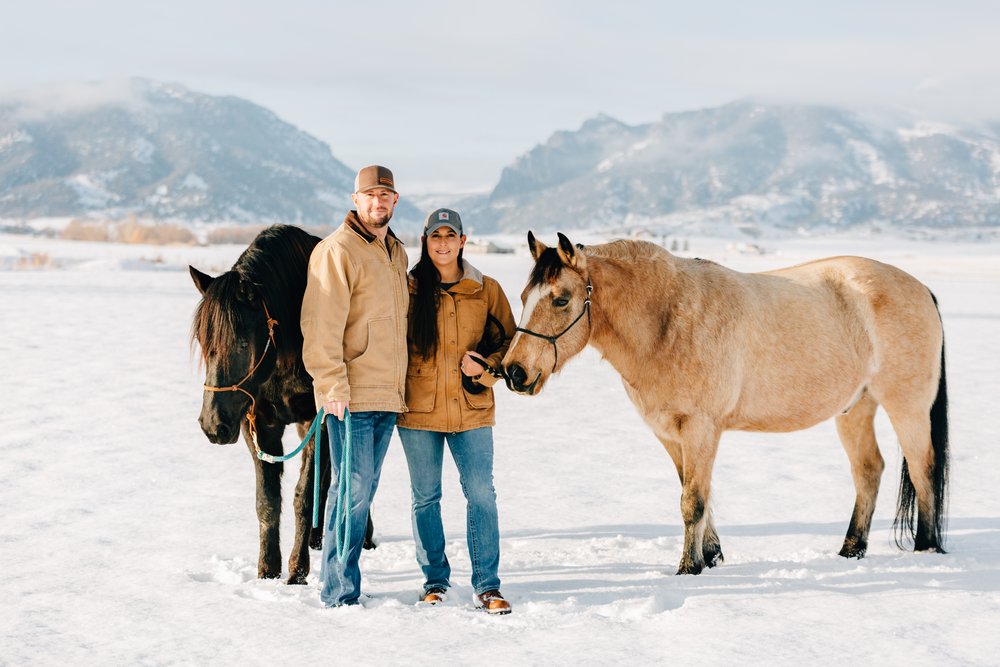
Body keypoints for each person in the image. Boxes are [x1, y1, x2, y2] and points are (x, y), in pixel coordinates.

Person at [396, 208, 517, 615]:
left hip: (472, 409)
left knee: (481, 493)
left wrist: (486, 369)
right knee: (425, 498)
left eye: (450, 236)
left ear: (463, 241)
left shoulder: (487, 290)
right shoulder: (408, 289)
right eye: (435, 237)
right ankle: (434, 580)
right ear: (425, 242)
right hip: (419, 411)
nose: (443, 244)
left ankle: (487, 584)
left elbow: (509, 344)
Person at [301, 165, 409, 607]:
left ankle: (342, 583)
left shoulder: (396, 252)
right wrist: (331, 386)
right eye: (370, 195)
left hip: (389, 391)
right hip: (351, 395)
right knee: (350, 490)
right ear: (355, 198)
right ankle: (338, 591)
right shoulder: (337, 250)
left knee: (361, 490)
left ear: (395, 201)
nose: (377, 202)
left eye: (385, 195)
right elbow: (320, 325)